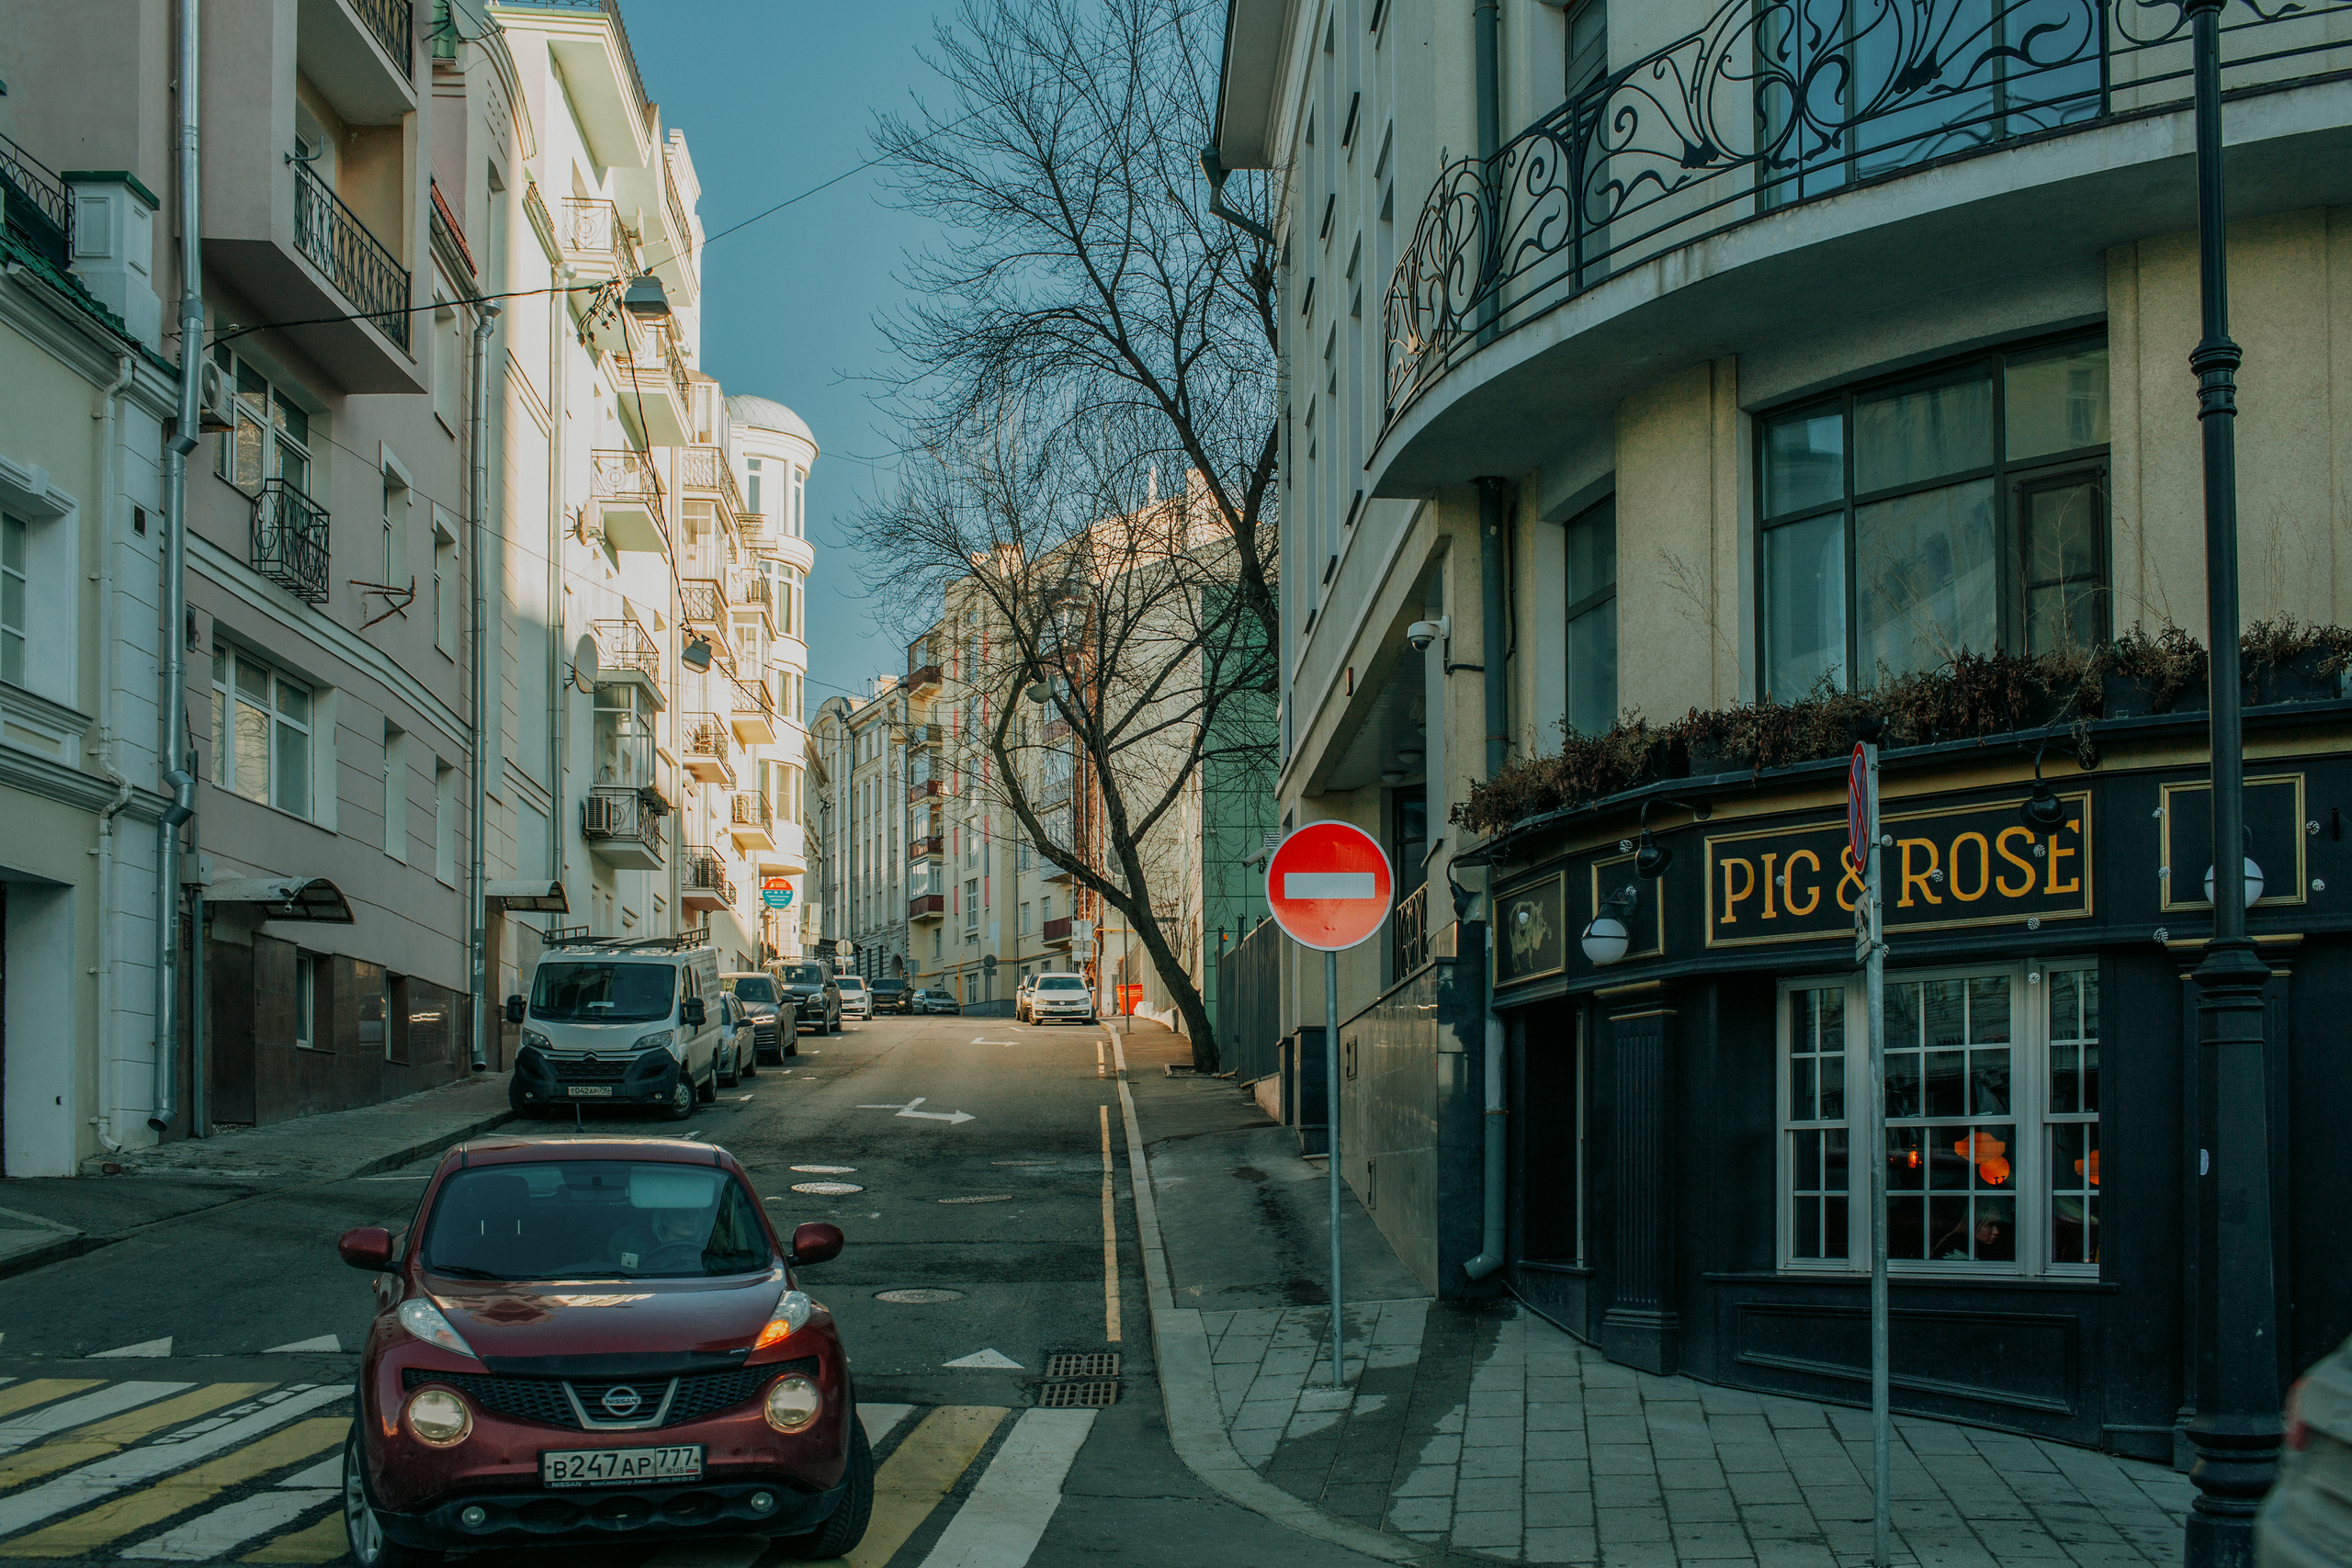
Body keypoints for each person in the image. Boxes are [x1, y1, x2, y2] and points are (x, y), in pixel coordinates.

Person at [609, 1205, 709, 1271]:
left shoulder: (712, 1250)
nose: (690, 1218)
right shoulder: (637, 1251)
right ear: (664, 1219)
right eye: (681, 1211)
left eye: (695, 1213)